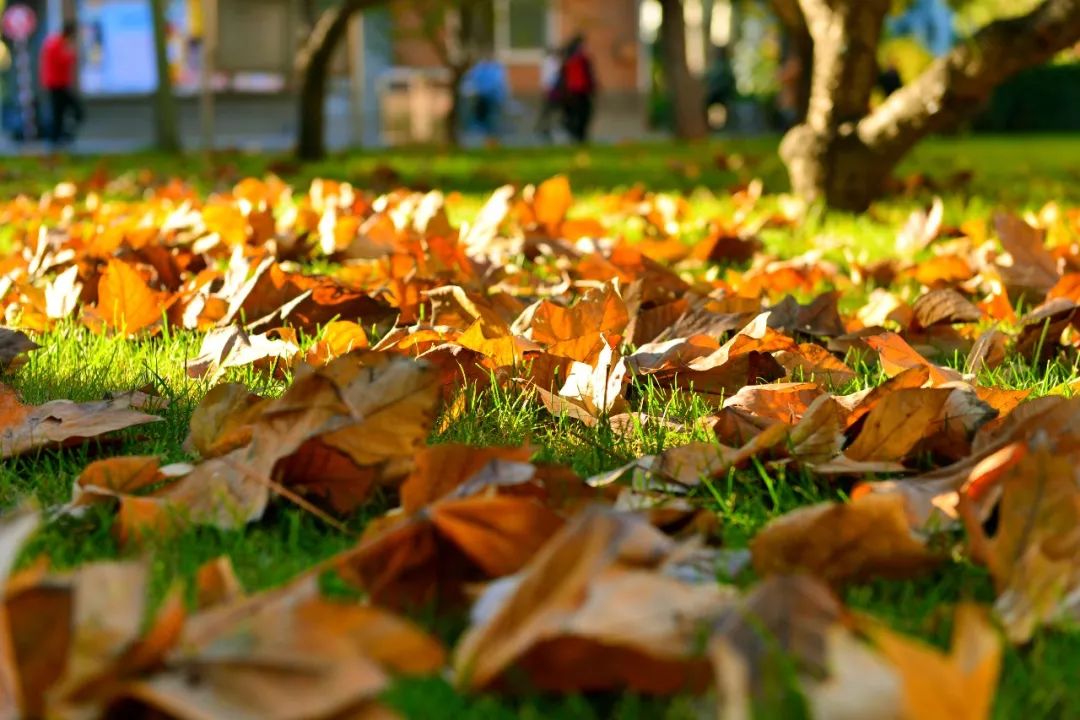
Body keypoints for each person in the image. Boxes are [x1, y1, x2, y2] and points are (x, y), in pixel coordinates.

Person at [40, 21, 83, 145]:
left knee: (61, 111)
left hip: (60, 83)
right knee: (63, 111)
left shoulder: (55, 42)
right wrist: (72, 53)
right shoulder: (55, 43)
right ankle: (56, 138)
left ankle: (59, 137)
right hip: (56, 84)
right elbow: (62, 60)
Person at [462, 50, 509, 143]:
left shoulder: (488, 68)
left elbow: (500, 83)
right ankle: (489, 138)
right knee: (489, 118)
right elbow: (500, 83)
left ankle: (490, 138)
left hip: (489, 97)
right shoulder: (487, 68)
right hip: (487, 97)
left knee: (490, 119)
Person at [560, 35, 596, 144]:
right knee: (580, 115)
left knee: (580, 115)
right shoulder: (577, 60)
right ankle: (578, 136)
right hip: (576, 92)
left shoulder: (571, 60)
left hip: (578, 92)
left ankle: (578, 136)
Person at [535, 46, 562, 141]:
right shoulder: (549, 62)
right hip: (550, 89)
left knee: (550, 110)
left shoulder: (555, 62)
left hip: (554, 89)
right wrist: (546, 89)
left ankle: (546, 128)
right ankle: (543, 128)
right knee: (548, 110)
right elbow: (547, 77)